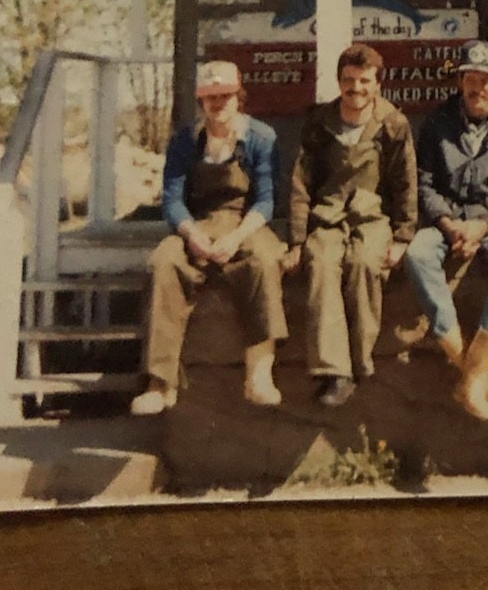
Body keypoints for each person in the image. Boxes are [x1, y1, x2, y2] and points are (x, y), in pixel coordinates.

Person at [131, 61, 287, 416]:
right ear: (201, 101)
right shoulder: (185, 141)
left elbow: (265, 200)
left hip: (244, 222)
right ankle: (160, 382)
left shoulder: (261, 138)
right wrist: (192, 233)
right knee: (163, 262)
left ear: (238, 97)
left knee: (264, 260)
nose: (218, 104)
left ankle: (259, 372)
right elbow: (171, 199)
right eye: (210, 97)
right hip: (197, 220)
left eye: (225, 96)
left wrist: (237, 237)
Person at [404, 40, 488, 421]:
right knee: (417, 254)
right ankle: (470, 368)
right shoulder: (437, 122)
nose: (476, 87)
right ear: (459, 81)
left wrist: (483, 225)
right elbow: (424, 185)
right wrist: (448, 223)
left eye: (484, 79)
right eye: (468, 79)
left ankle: (473, 372)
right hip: (447, 220)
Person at [283, 43, 417, 408]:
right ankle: (333, 371)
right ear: (338, 81)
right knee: (322, 263)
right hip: (327, 217)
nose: (355, 89)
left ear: (377, 84)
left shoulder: (393, 124)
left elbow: (406, 184)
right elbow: (301, 184)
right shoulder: (320, 122)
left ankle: (360, 362)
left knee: (362, 265)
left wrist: (403, 236)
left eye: (364, 82)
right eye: (348, 81)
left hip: (373, 217)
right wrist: (297, 240)